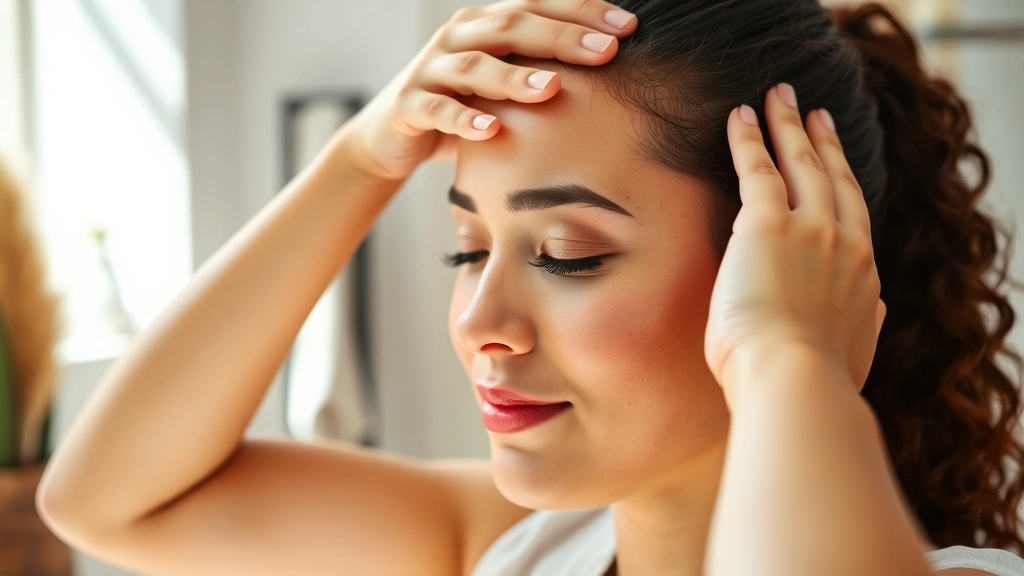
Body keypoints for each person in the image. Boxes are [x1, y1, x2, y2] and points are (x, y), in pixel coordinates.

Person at [33, 0, 1024, 574]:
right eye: (467, 249)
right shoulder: (514, 547)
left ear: (789, 260)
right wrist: (360, 161)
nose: (480, 325)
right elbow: (111, 503)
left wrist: (788, 359)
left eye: (566, 253)